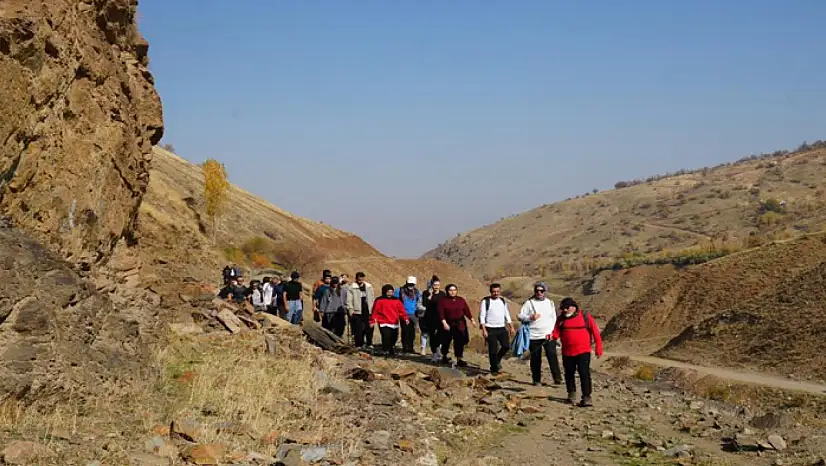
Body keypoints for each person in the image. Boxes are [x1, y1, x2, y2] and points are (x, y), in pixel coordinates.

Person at [552, 298, 603, 407]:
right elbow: (556, 332)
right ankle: (571, 394)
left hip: (583, 351)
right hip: (567, 352)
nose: (565, 310)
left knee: (584, 373)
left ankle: (586, 397)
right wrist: (552, 336)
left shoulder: (585, 317)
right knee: (569, 374)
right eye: (563, 309)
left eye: (567, 308)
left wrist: (598, 348)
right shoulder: (560, 319)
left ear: (574, 307)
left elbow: (595, 332)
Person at [518, 282, 562, 386]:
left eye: (541, 291)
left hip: (548, 335)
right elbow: (520, 316)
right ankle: (536, 379)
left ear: (545, 291)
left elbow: (554, 318)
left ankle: (557, 378)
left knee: (552, 356)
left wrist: (553, 332)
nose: (539, 293)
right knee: (535, 358)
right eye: (537, 291)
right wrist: (530, 317)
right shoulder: (529, 303)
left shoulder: (550, 303)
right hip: (534, 335)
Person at [480, 283, 515, 375]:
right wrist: (484, 330)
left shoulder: (502, 301)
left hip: (501, 328)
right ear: (490, 292)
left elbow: (506, 314)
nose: (496, 293)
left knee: (506, 346)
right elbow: (482, 316)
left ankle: (497, 359)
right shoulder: (485, 301)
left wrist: (511, 327)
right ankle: (494, 369)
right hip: (490, 328)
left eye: (497, 291)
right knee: (493, 350)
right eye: (494, 292)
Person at [438, 284, 476, 367]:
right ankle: (445, 356)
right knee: (446, 340)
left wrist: (472, 319)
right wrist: (444, 323)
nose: (452, 292)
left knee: (460, 341)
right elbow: (440, 313)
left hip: (460, 323)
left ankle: (459, 358)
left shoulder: (461, 300)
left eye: (454, 290)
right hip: (447, 323)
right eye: (450, 290)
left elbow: (466, 310)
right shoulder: (443, 301)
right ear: (447, 291)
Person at [370, 284, 409, 356]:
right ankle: (386, 350)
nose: (390, 294)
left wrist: (405, 318)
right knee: (386, 337)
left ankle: (391, 348)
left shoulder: (396, 300)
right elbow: (375, 311)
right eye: (388, 292)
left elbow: (401, 311)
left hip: (394, 322)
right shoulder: (379, 300)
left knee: (394, 337)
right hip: (383, 322)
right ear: (384, 292)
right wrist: (372, 321)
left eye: (391, 292)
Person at [346, 272, 375, 348]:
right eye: (359, 278)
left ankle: (369, 343)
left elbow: (372, 298)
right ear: (356, 279)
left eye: (362, 278)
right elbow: (349, 300)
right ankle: (359, 344)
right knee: (358, 329)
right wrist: (350, 310)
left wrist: (372, 309)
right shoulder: (352, 287)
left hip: (367, 309)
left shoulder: (369, 286)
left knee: (369, 328)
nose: (360, 280)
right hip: (357, 310)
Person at [394, 277, 423, 353]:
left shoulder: (417, 292)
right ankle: (405, 347)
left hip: (414, 314)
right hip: (403, 314)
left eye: (412, 284)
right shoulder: (399, 291)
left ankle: (410, 347)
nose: (411, 285)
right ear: (406, 282)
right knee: (405, 330)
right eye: (409, 283)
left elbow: (419, 302)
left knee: (412, 331)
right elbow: (396, 302)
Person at [421, 276, 445, 362]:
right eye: (435, 284)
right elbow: (424, 304)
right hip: (430, 318)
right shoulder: (426, 293)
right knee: (432, 336)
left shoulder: (442, 294)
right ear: (431, 285)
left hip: (440, 318)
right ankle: (434, 354)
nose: (436, 286)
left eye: (438, 284)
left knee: (440, 335)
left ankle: (438, 349)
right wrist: (430, 295)